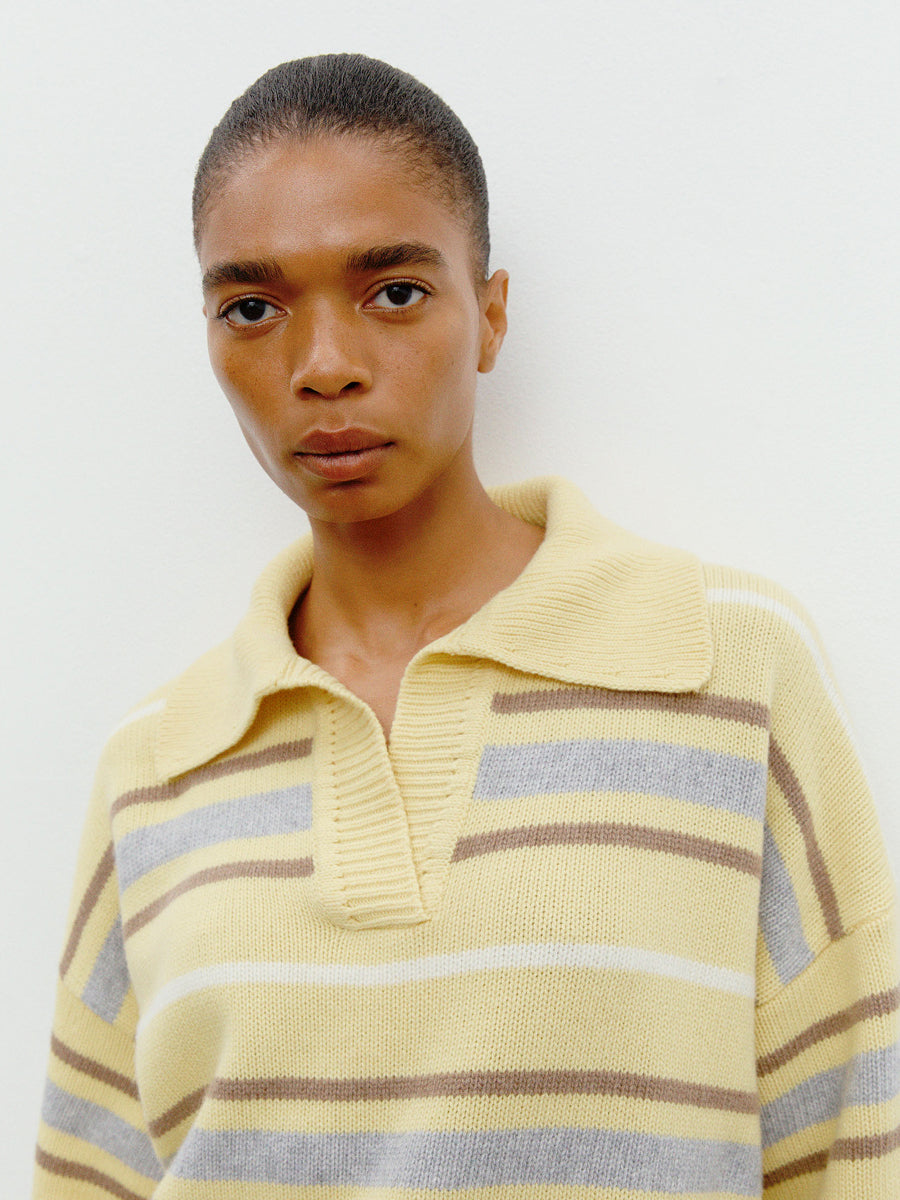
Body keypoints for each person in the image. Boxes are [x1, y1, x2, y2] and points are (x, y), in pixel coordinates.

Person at [33, 53, 899, 1199]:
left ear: (489, 316)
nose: (325, 366)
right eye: (252, 308)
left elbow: (852, 1142)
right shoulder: (158, 764)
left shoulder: (724, 661)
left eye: (394, 292)